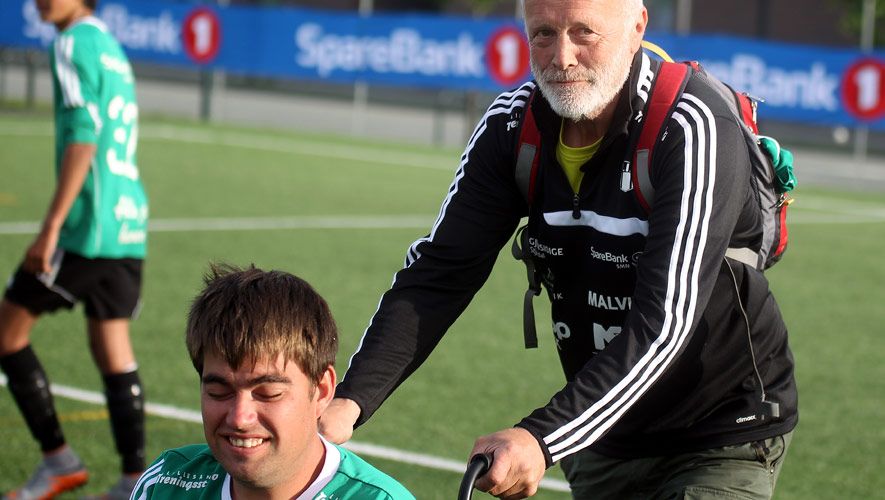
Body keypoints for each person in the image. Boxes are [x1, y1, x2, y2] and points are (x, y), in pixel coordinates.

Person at [319, 0, 798, 498]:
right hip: (601, 435)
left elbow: (664, 323)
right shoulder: (512, 125)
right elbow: (441, 273)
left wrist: (541, 438)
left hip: (720, 430)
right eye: (543, 33)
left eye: (584, 32)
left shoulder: (691, 124)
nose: (561, 57)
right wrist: (350, 401)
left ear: (637, 27)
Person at [0, 0, 149, 499]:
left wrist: (50, 229)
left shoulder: (71, 43)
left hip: (88, 227)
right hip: (128, 219)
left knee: (6, 333)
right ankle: (134, 481)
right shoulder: (110, 46)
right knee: (112, 348)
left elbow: (83, 140)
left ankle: (58, 460)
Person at [130, 264, 415, 499]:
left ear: (321, 390)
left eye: (268, 393)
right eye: (218, 391)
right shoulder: (166, 483)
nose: (240, 418)